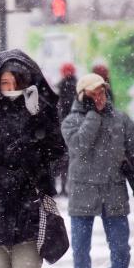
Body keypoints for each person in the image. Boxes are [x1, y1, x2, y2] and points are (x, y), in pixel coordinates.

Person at [0, 49, 66, 268]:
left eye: (15, 82)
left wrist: (36, 117)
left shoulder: (40, 108)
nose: (10, 88)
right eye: (4, 82)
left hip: (29, 210)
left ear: (26, 81)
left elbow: (57, 152)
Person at [61, 73, 134, 268]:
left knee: (121, 250)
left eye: (102, 91)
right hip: (82, 194)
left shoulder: (120, 119)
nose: (99, 97)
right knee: (81, 252)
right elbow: (79, 146)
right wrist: (93, 115)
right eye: (93, 93)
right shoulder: (70, 121)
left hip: (114, 191)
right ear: (82, 96)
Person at [55, 62, 77, 196]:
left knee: (63, 159)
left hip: (62, 126)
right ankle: (69, 187)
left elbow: (58, 106)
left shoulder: (60, 86)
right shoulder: (77, 86)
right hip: (75, 126)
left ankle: (63, 187)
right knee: (72, 158)